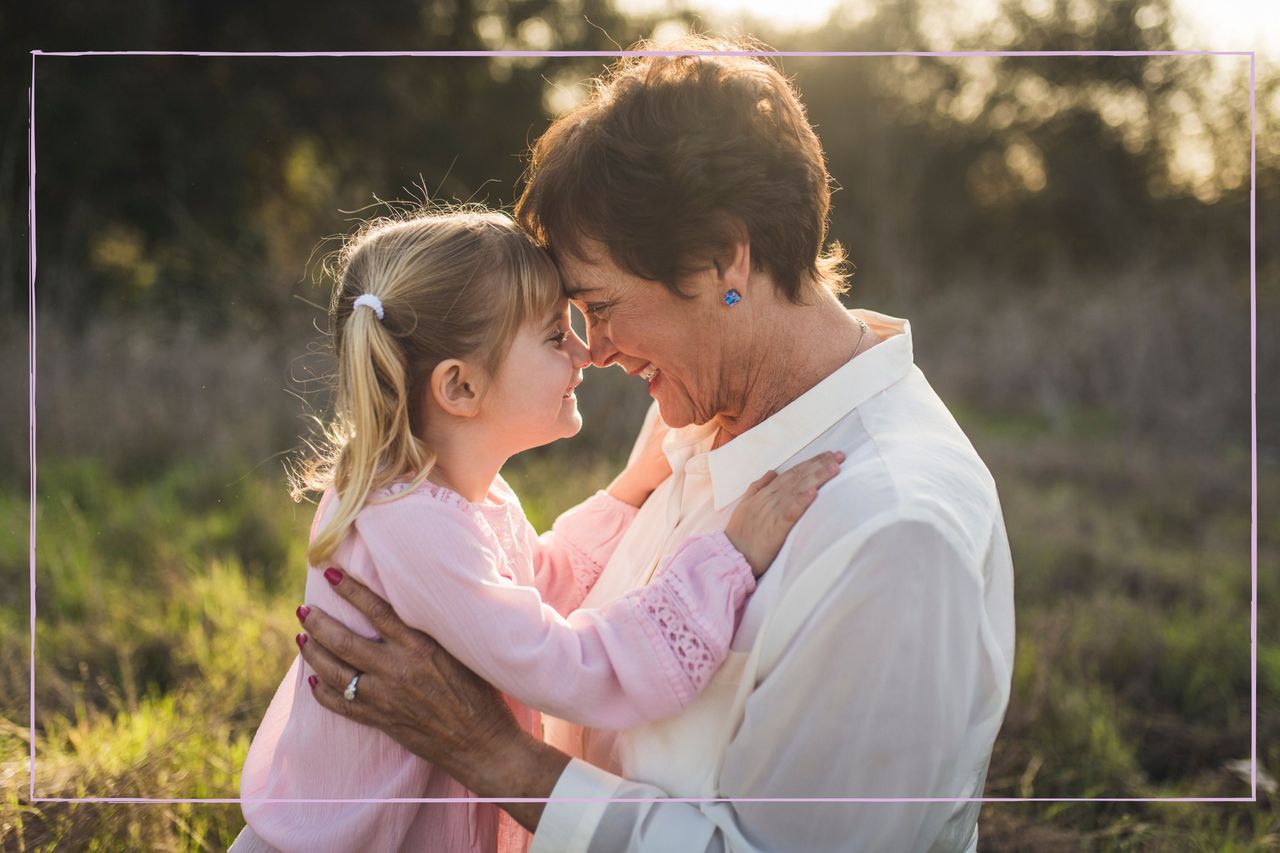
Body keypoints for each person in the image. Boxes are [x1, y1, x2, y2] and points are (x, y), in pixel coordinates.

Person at [297, 36, 1015, 852]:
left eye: (599, 305)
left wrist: (488, 753)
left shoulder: (892, 533)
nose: (592, 349)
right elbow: (553, 603)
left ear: (722, 258)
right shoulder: (701, 416)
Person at [231, 208, 845, 853]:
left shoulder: (453, 494)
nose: (587, 353)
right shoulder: (410, 521)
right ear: (461, 387)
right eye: (556, 337)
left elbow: (535, 588)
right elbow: (568, 669)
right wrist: (726, 559)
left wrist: (627, 492)